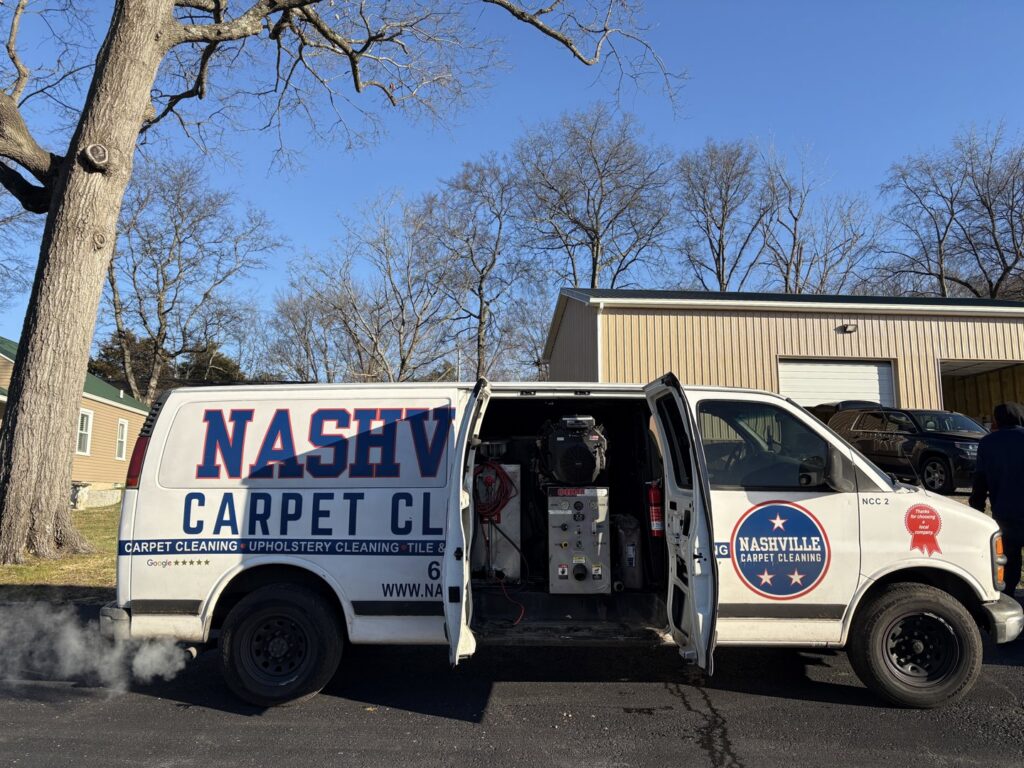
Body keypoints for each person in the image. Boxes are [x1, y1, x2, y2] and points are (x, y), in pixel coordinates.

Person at [970, 402, 1024, 595]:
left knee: (1009, 562)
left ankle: (1010, 599)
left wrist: (976, 510)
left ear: (997, 420)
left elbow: (980, 481)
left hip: (1005, 513)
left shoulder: (987, 443)